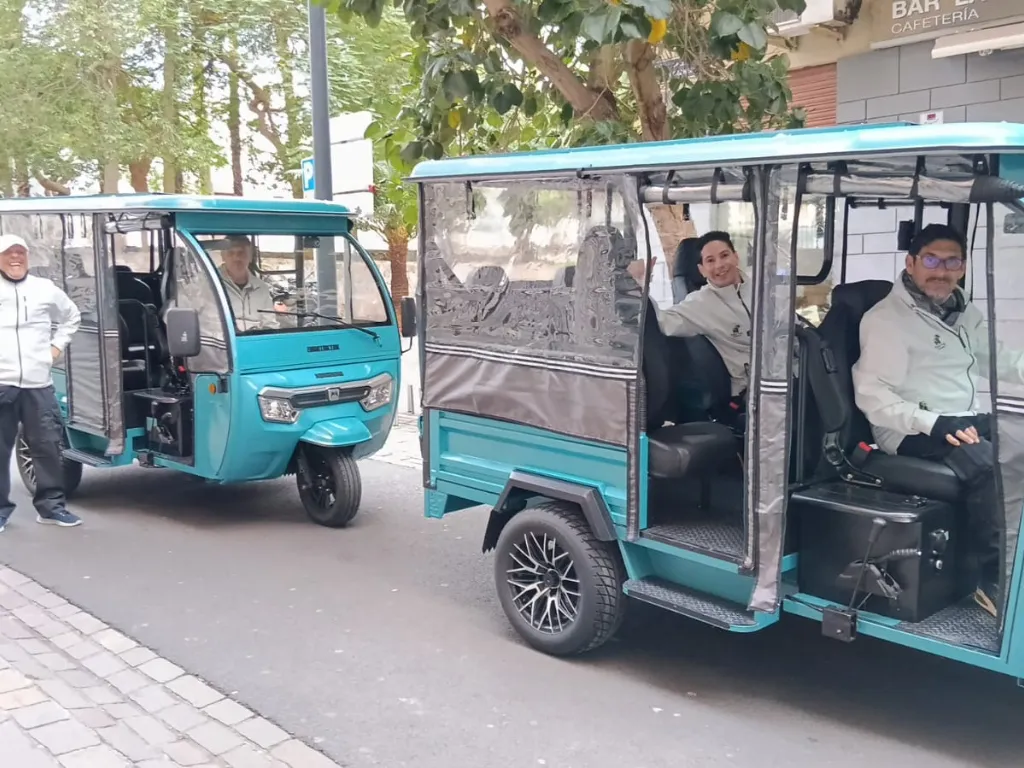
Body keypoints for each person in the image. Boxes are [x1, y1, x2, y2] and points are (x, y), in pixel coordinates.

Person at [852, 223, 1024, 618]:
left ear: (963, 267)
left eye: (952, 262)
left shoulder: (962, 311)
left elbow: (997, 359)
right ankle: (994, 581)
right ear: (911, 263)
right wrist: (934, 423)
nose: (941, 271)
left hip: (959, 418)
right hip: (907, 428)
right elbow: (873, 397)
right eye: (931, 261)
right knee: (989, 466)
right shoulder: (886, 320)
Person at [0, 234, 83, 531]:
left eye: (20, 253)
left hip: (38, 383)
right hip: (2, 382)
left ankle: (51, 508)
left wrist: (56, 348)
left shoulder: (43, 288)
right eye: (8, 253)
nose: (15, 258)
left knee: (47, 447)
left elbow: (72, 316)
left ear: (27, 257)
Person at [628, 231, 752, 399]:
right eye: (710, 260)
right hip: (751, 390)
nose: (719, 265)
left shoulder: (762, 289)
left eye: (724, 256)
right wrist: (638, 285)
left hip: (783, 372)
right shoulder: (700, 303)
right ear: (702, 270)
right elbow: (660, 322)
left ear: (736, 257)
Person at [218, 235, 279, 331]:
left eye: (241, 253)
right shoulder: (209, 283)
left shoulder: (261, 288)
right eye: (231, 253)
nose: (236, 258)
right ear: (223, 256)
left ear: (250, 257)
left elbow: (270, 324)